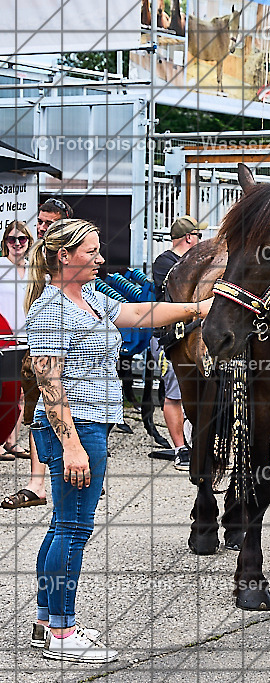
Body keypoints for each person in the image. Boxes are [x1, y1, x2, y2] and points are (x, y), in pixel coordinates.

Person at [25, 219, 211, 662]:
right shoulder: (51, 310)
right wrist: (72, 445)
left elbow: (139, 314)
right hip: (74, 427)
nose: (101, 260)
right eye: (92, 253)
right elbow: (50, 385)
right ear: (64, 257)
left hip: (89, 424)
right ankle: (62, 633)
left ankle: (46, 623)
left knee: (61, 527)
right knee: (73, 529)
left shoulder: (88, 298)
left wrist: (197, 308)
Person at [2, 199, 73, 510]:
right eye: (40, 222)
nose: (42, 228)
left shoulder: (74, 257)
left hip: (69, 346)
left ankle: (72, 475)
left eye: (49, 223)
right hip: (35, 346)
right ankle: (37, 483)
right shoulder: (35, 257)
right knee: (37, 412)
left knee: (72, 410)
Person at [150, 215, 206, 471]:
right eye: (199, 236)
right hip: (169, 337)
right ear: (189, 237)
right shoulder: (165, 262)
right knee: (174, 393)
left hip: (193, 334)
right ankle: (179, 448)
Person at [0, 220, 33, 460]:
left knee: (21, 393)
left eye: (22, 239)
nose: (17, 244)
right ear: (5, 243)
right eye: (12, 239)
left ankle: (12, 440)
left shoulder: (35, 270)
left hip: (27, 338)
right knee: (4, 392)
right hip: (4, 339)